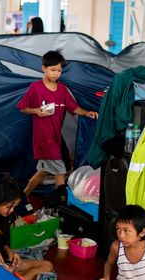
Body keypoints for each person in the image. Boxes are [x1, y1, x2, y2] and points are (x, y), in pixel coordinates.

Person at [17, 50, 98, 196]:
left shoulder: (62, 89)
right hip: (44, 138)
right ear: (44, 68)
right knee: (60, 172)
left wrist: (86, 113)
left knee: (43, 171)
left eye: (59, 70)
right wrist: (37, 111)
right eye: (53, 70)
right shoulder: (35, 87)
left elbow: (73, 107)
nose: (56, 73)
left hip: (57, 137)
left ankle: (24, 195)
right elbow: (23, 107)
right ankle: (59, 203)